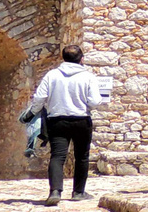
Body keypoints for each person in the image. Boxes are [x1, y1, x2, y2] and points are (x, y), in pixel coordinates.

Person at [30, 44, 104, 206]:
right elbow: (94, 101)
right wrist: (88, 106)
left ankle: (55, 191)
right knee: (82, 156)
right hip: (81, 120)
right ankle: (78, 192)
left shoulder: (52, 75)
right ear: (82, 59)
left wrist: (33, 112)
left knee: (57, 156)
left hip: (57, 120)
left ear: (63, 58)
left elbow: (39, 97)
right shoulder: (88, 76)